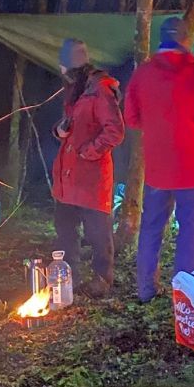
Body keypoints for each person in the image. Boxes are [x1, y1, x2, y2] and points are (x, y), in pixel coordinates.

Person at [125, 16, 194, 301]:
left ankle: (146, 290)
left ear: (160, 39)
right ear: (185, 39)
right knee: (191, 231)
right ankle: (186, 294)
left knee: (151, 228)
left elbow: (131, 118)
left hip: (158, 169)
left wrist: (156, 124)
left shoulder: (142, 74)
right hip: (192, 170)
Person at [52, 38, 125, 297]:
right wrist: (61, 131)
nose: (60, 71)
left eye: (62, 66)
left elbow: (115, 131)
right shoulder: (76, 88)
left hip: (90, 174)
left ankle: (102, 280)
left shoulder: (100, 89)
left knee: (97, 232)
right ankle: (67, 275)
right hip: (68, 175)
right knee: (64, 227)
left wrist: (88, 152)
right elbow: (75, 123)